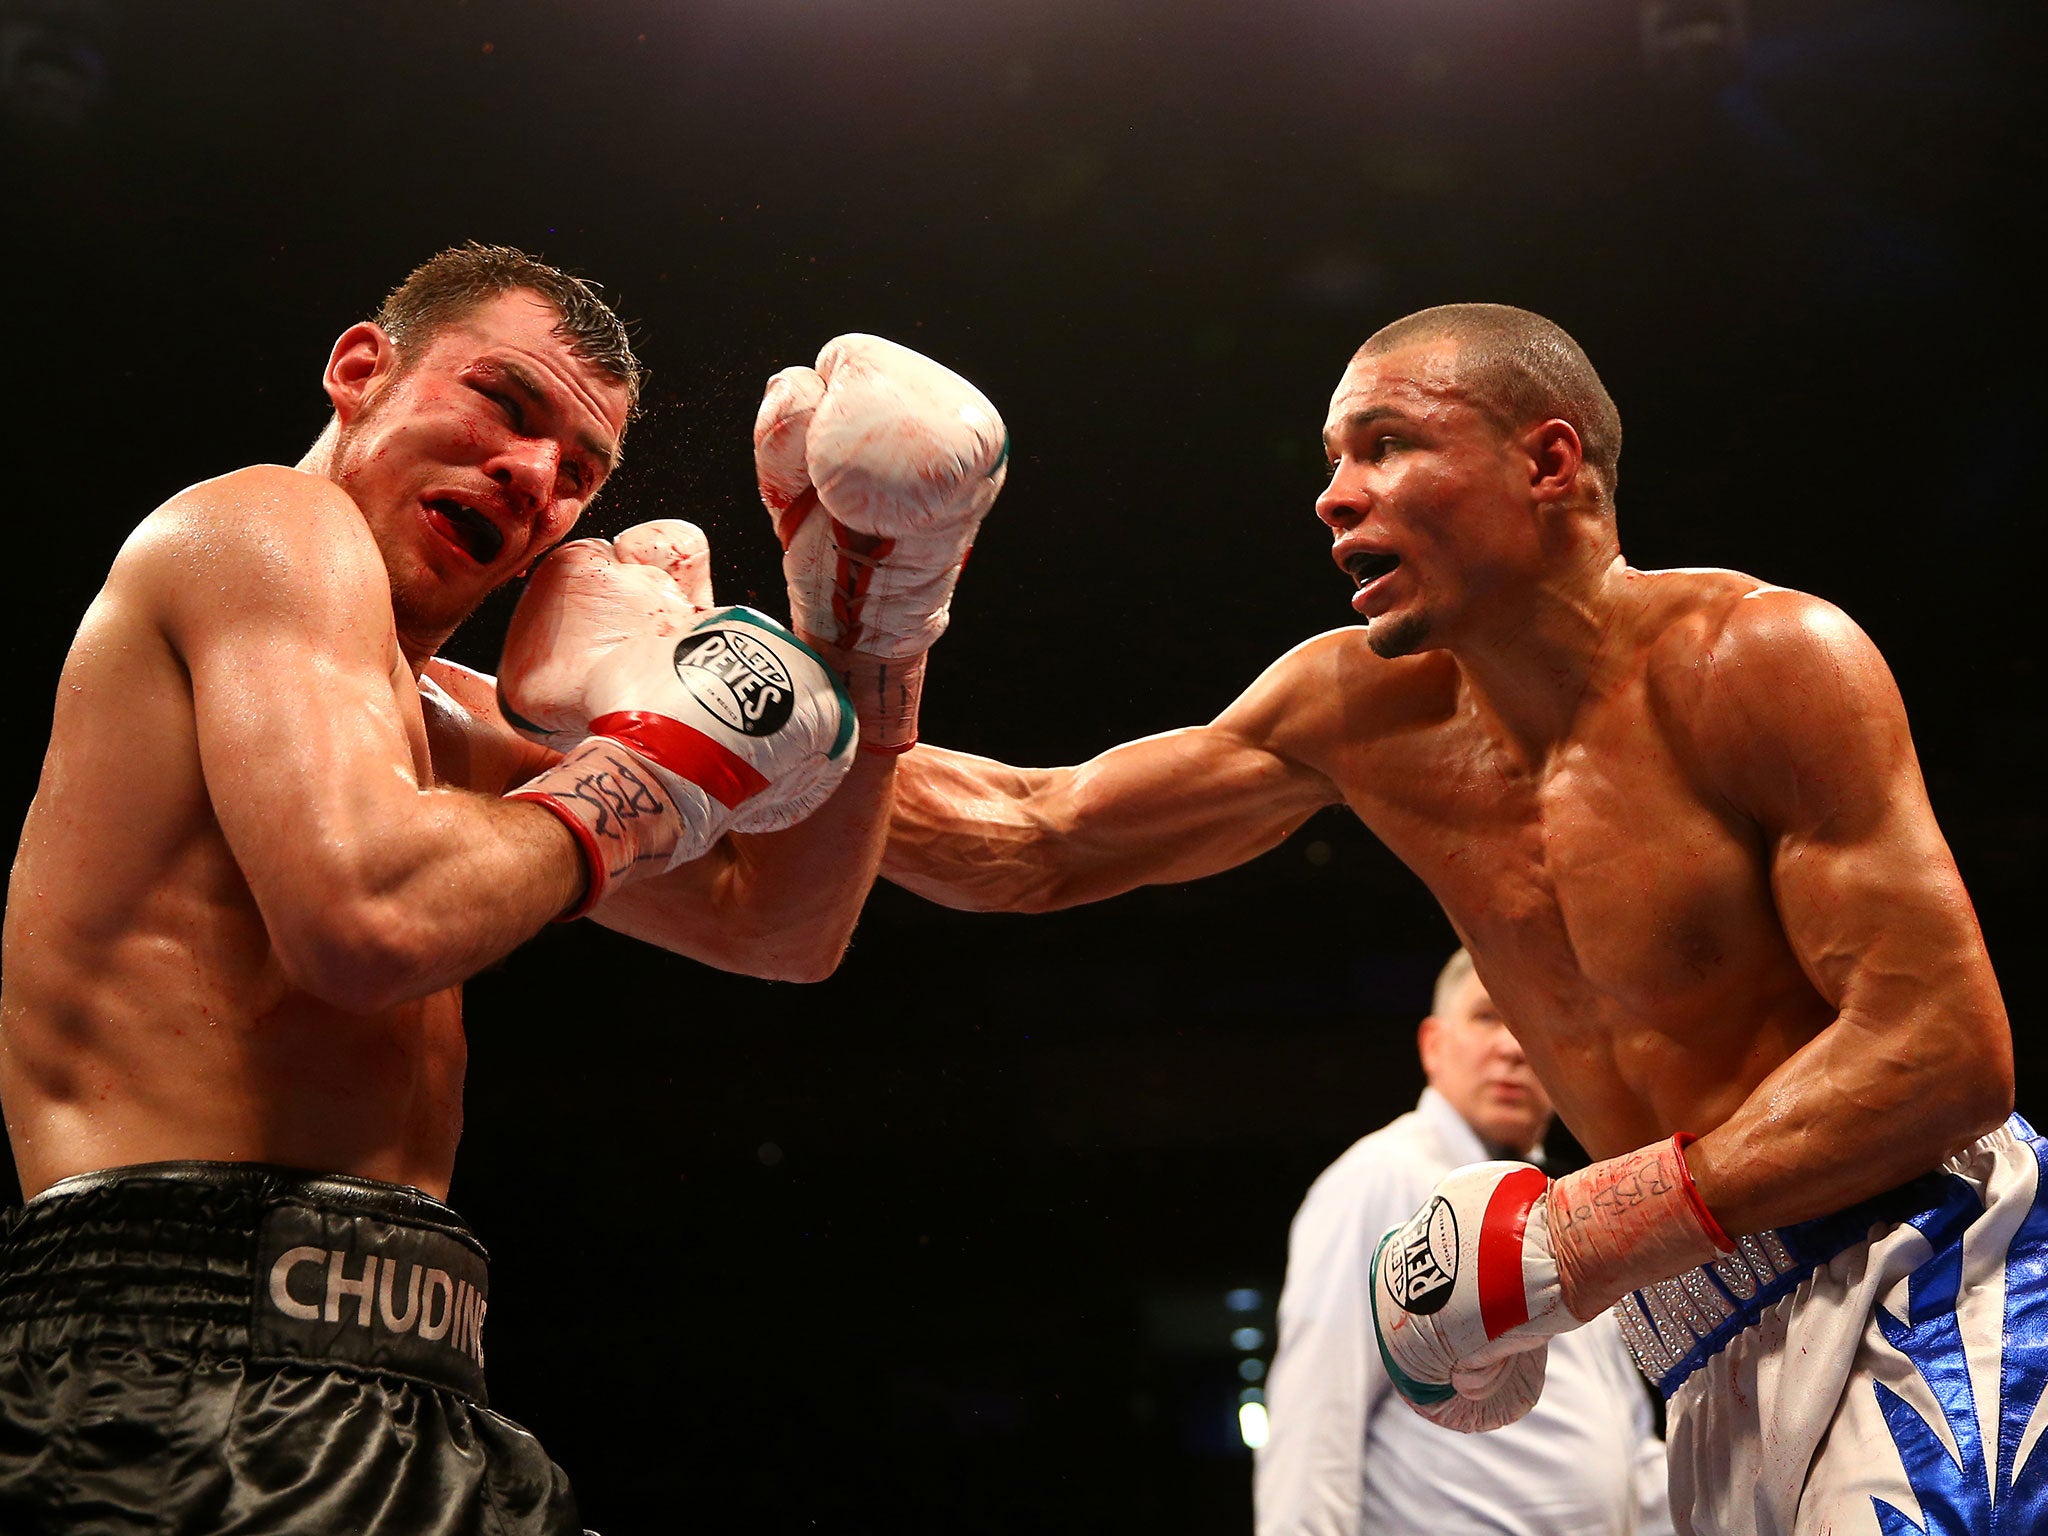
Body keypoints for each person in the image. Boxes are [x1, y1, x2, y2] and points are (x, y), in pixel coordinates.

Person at [882, 303, 2026, 1535]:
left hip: (1919, 1272)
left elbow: (1944, 1052)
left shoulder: (1757, 659)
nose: (1332, 494)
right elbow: (1031, 841)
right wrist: (787, 705)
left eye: (1382, 444)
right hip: (1698, 1345)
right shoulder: (1355, 712)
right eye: (1331, 457)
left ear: (1546, 462)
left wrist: (1582, 1234)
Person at [0, 243, 1008, 1534]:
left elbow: (782, 929)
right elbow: (368, 921)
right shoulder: (254, 526)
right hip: (180, 1379)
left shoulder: (443, 717)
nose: (533, 475)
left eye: (577, 471)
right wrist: (655, 765)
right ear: (363, 371)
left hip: (427, 1395)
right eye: (504, 405)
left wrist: (870, 623)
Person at [1257, 948, 1672, 1536]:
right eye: (1485, 1017)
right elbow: (1316, 1416)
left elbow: (1621, 1436)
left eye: (1527, 1025)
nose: (1510, 1047)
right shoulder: (1382, 1176)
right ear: (1433, 1046)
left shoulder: (1568, 1204)